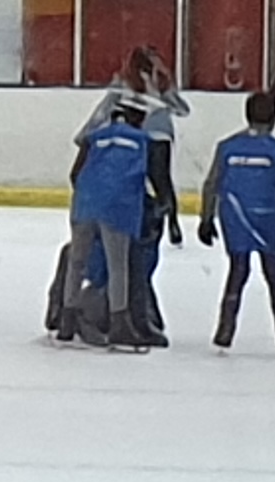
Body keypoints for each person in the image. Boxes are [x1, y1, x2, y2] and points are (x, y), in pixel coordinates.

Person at [198, 90, 275, 353]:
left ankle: (224, 333)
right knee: (274, 276)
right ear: (274, 118)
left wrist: (206, 218)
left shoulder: (227, 147)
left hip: (236, 217)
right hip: (269, 217)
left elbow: (212, 184)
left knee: (237, 272)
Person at [66, 95, 156, 350]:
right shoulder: (142, 141)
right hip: (117, 209)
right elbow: (151, 178)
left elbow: (75, 173)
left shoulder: (94, 137)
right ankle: (120, 324)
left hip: (85, 204)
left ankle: (67, 320)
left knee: (76, 262)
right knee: (118, 267)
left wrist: (89, 196)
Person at [92, 46, 188, 242]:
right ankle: (171, 222)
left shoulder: (124, 81)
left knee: (135, 179)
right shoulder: (161, 82)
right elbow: (182, 110)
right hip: (158, 136)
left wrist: (91, 130)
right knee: (162, 180)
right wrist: (163, 96)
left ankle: (148, 220)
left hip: (134, 136)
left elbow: (104, 109)